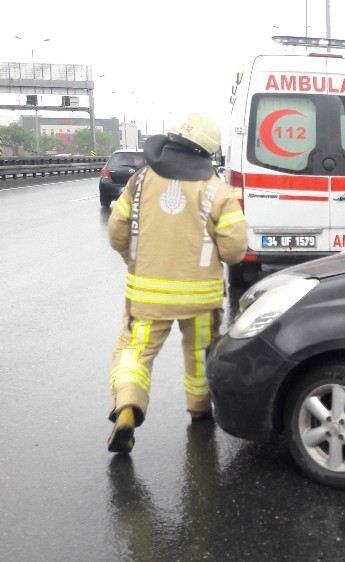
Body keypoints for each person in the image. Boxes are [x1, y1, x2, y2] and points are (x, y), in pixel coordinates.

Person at [105, 112, 248, 454]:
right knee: (199, 354)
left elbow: (116, 232)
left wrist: (136, 262)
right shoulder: (215, 189)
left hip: (146, 295)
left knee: (135, 353)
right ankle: (199, 411)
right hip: (201, 296)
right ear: (206, 153)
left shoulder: (138, 182)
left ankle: (127, 407)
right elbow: (234, 249)